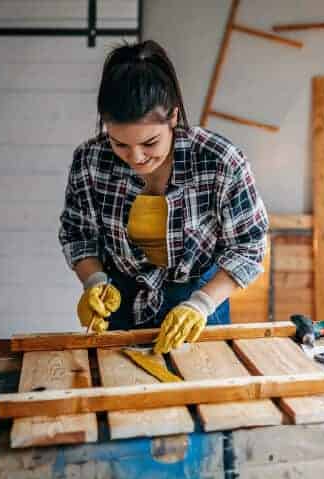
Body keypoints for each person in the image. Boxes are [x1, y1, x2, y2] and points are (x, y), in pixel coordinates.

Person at [59, 40, 268, 353]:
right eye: (120, 144)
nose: (136, 158)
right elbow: (78, 235)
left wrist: (199, 304)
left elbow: (249, 246)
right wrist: (94, 282)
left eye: (150, 143)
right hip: (121, 307)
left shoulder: (220, 160)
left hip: (199, 308)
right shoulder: (90, 160)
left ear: (173, 116)